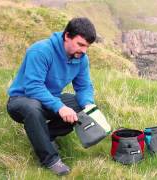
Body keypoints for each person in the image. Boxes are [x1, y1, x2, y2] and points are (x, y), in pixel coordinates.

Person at [6, 17, 96, 175]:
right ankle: (51, 160)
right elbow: (33, 87)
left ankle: (42, 137)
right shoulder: (41, 50)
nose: (83, 50)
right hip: (21, 100)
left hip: (49, 99)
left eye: (87, 46)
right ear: (67, 36)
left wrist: (89, 105)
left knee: (82, 107)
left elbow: (83, 87)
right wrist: (60, 107)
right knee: (32, 108)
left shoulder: (81, 59)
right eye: (80, 44)